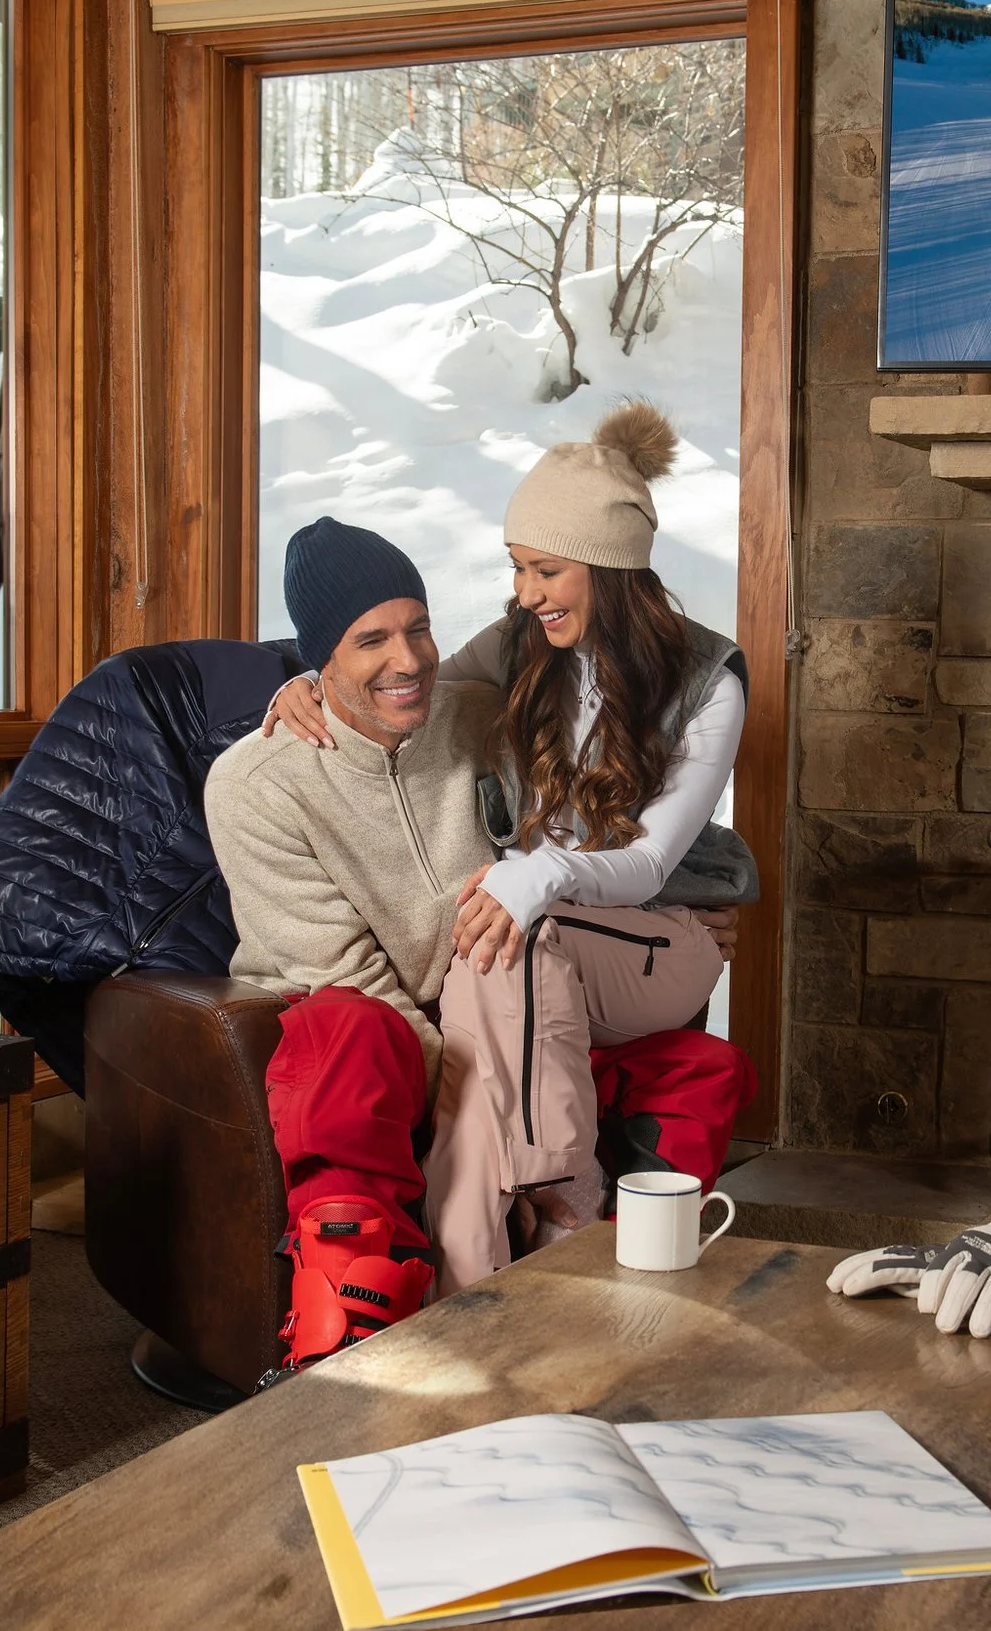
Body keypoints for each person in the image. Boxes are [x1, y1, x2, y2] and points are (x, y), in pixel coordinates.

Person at [208, 513, 750, 1364]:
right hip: (396, 1029)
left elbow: (603, 807)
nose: (409, 659)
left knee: (698, 1066)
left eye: (419, 627)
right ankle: (379, 1324)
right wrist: (487, 1103)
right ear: (321, 661)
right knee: (347, 1032)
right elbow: (349, 972)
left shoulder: (477, 713)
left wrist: (688, 896)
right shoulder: (257, 783)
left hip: (507, 997)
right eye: (370, 640)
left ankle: (620, 1303)